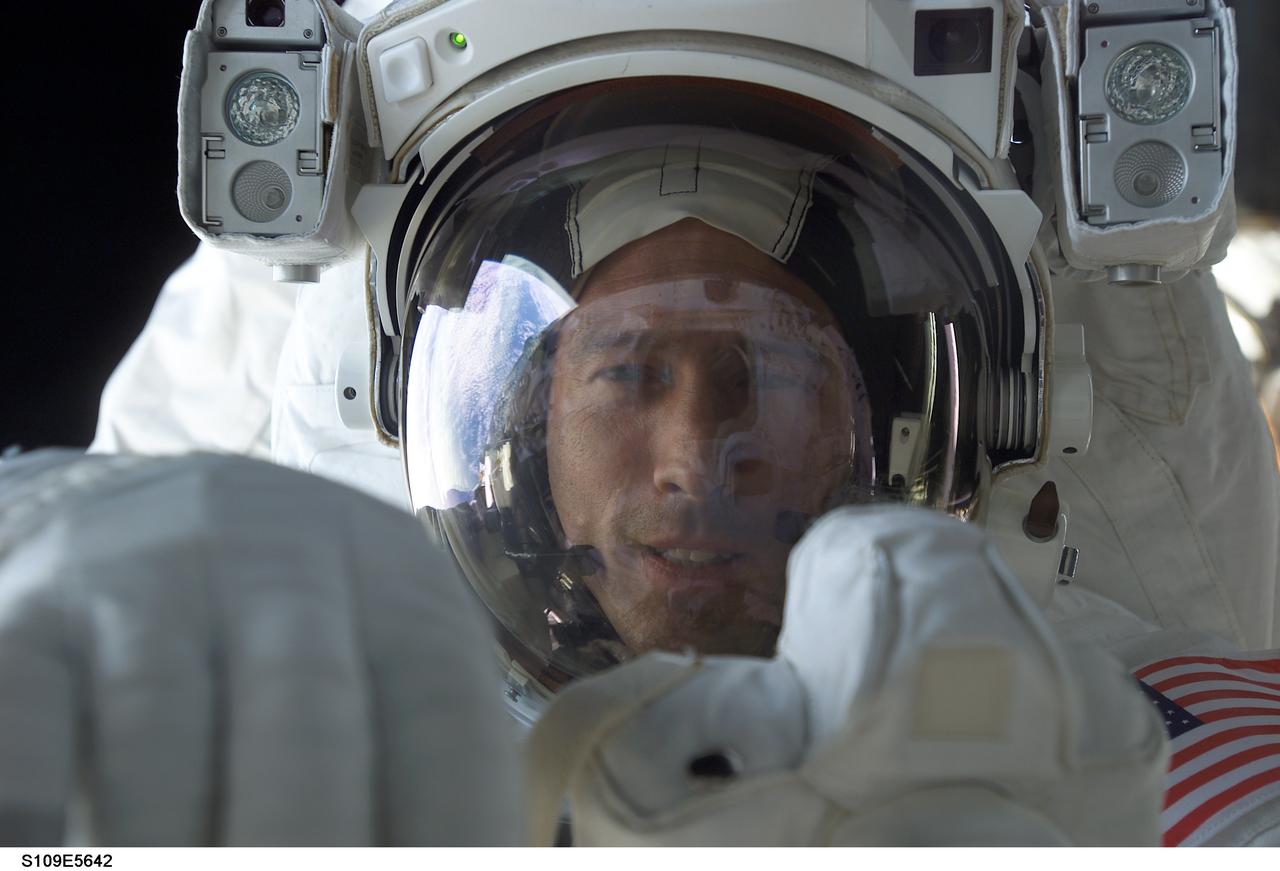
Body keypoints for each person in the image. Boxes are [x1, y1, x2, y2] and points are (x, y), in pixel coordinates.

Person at [4, 0, 1276, 847]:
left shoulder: (1076, 724)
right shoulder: (289, 725)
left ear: (879, 416)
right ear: (517, 415)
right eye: (624, 373)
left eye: (772, 370)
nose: (693, 460)